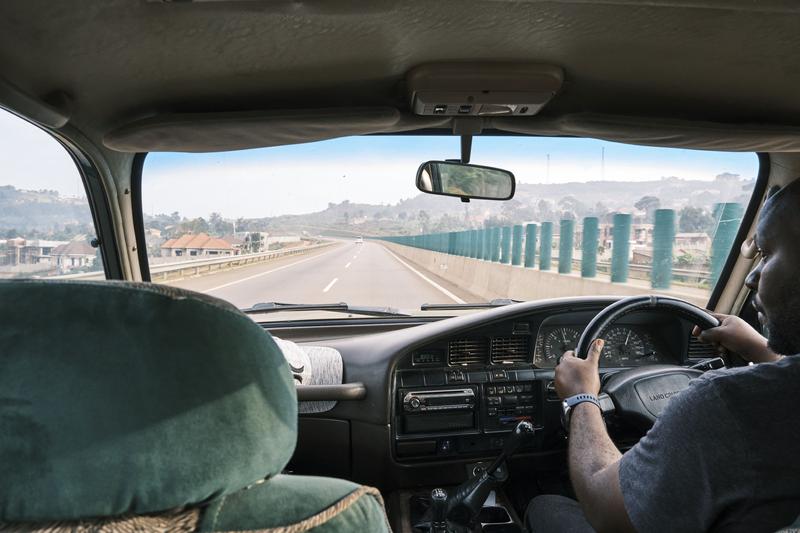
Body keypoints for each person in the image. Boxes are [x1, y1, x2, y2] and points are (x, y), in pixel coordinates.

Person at [526, 179, 800, 532]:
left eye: (767, 254)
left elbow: (606, 506)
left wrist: (582, 398)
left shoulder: (728, 404)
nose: (750, 279)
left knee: (544, 507)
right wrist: (758, 348)